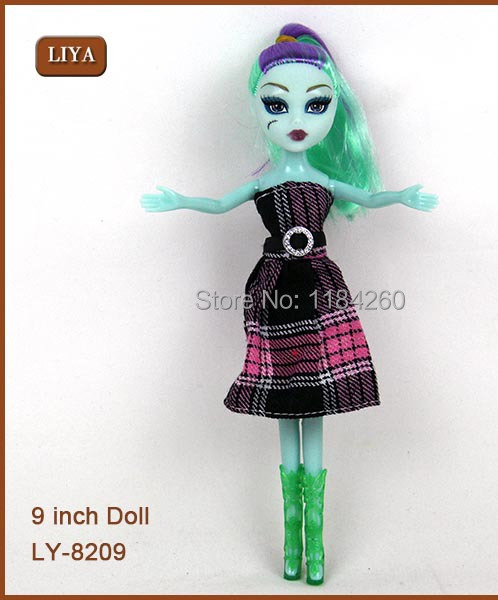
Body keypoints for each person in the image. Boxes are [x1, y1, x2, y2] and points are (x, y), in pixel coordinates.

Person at [141, 23, 437, 586]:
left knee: (316, 405)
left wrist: (400, 195)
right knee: (285, 404)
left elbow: (368, 196)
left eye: (315, 104)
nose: (296, 119)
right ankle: (292, 547)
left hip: (321, 290)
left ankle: (314, 548)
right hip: (275, 288)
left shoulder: (324, 179)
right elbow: (219, 203)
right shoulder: (263, 185)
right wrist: (181, 200)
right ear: (259, 106)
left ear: (333, 110)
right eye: (276, 105)